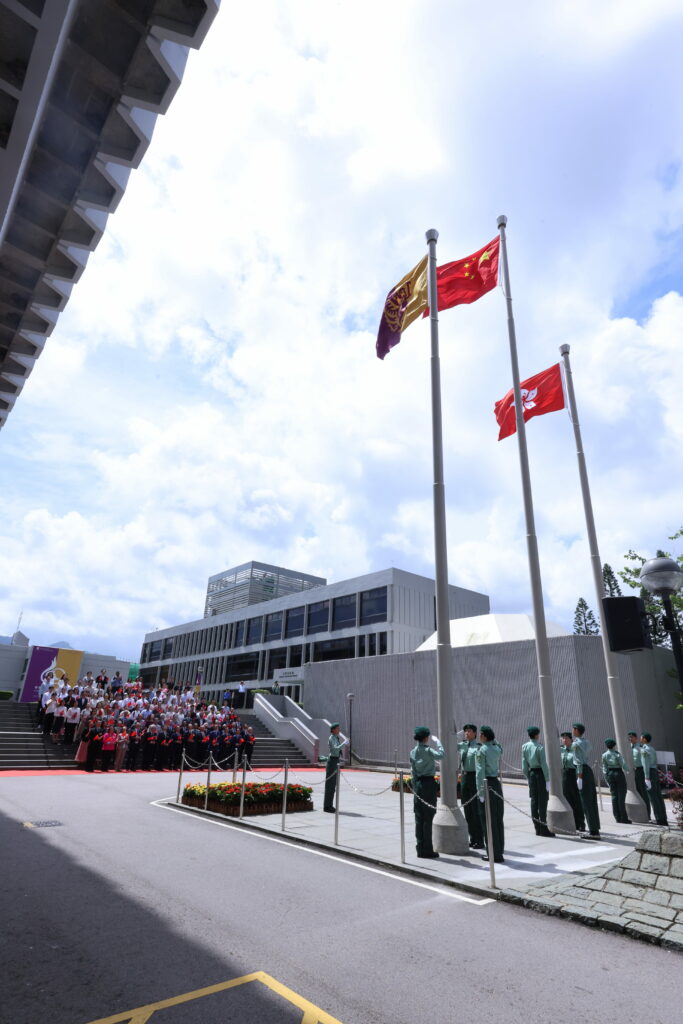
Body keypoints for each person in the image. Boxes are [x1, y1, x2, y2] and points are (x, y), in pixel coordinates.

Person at [409, 726, 444, 859]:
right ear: (425, 738)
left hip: (418, 784)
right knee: (428, 818)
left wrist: (415, 785)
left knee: (419, 818)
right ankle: (428, 850)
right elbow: (441, 755)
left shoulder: (413, 752)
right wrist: (439, 743)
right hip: (428, 784)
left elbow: (412, 770)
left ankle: (420, 848)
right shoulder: (429, 750)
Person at [475, 726, 504, 862]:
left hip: (486, 785)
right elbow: (499, 746)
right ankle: (499, 850)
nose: (479, 737)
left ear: (485, 737)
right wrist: (493, 739)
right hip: (496, 784)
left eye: (481, 735)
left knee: (488, 820)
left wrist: (480, 791)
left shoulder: (482, 750)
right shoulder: (496, 749)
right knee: (498, 819)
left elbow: (480, 772)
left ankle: (493, 853)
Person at [522, 726, 555, 837]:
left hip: (531, 774)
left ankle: (537, 828)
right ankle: (544, 829)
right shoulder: (540, 747)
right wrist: (547, 780)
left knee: (534, 801)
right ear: (537, 735)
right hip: (540, 774)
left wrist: (528, 777)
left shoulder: (525, 747)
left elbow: (524, 767)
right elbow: (544, 765)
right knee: (542, 801)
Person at [571, 723, 600, 838]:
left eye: (573, 729)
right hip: (588, 770)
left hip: (582, 771)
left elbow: (578, 761)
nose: (572, 731)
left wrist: (579, 777)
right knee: (592, 801)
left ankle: (593, 831)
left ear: (577, 731)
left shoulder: (576, 744)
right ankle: (595, 828)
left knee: (586, 803)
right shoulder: (587, 742)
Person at [458, 724, 484, 849]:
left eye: (469, 731)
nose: (466, 733)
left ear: (474, 733)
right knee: (467, 810)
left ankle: (480, 839)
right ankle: (472, 838)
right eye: (465, 731)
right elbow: (450, 746)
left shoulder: (479, 747)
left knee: (476, 811)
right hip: (464, 777)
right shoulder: (462, 745)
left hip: (474, 777)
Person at [640, 733, 669, 826]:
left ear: (644, 739)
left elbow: (645, 764)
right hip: (655, 772)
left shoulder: (644, 750)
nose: (640, 738)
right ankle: (663, 817)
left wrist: (647, 777)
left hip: (650, 774)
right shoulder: (652, 748)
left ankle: (659, 819)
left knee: (653, 797)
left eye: (641, 737)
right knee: (658, 796)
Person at [601, 739, 630, 824]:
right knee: (621, 795)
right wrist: (628, 770)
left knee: (614, 796)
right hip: (618, 773)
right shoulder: (617, 754)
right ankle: (623, 817)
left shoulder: (604, 755)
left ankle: (617, 817)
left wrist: (606, 777)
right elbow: (622, 763)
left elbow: (604, 767)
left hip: (610, 773)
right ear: (614, 745)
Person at [560, 732, 585, 831]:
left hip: (574, 774)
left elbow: (579, 763)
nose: (564, 740)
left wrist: (580, 778)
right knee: (567, 799)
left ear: (571, 739)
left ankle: (581, 823)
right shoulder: (561, 750)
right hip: (565, 775)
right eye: (563, 738)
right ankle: (572, 822)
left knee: (577, 800)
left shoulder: (574, 750)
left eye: (566, 738)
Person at [324, 723, 347, 813]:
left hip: (336, 760)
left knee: (333, 785)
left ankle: (330, 805)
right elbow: (335, 749)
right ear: (333, 730)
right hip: (332, 761)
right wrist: (344, 744)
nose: (339, 730)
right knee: (330, 785)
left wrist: (343, 743)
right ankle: (327, 806)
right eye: (337, 728)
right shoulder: (331, 738)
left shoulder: (335, 738)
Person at [628, 731, 651, 820]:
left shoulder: (639, 748)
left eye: (631, 737)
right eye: (629, 737)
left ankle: (647, 814)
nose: (630, 738)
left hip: (641, 771)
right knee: (637, 792)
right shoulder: (629, 748)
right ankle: (640, 813)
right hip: (634, 772)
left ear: (636, 738)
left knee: (643, 793)